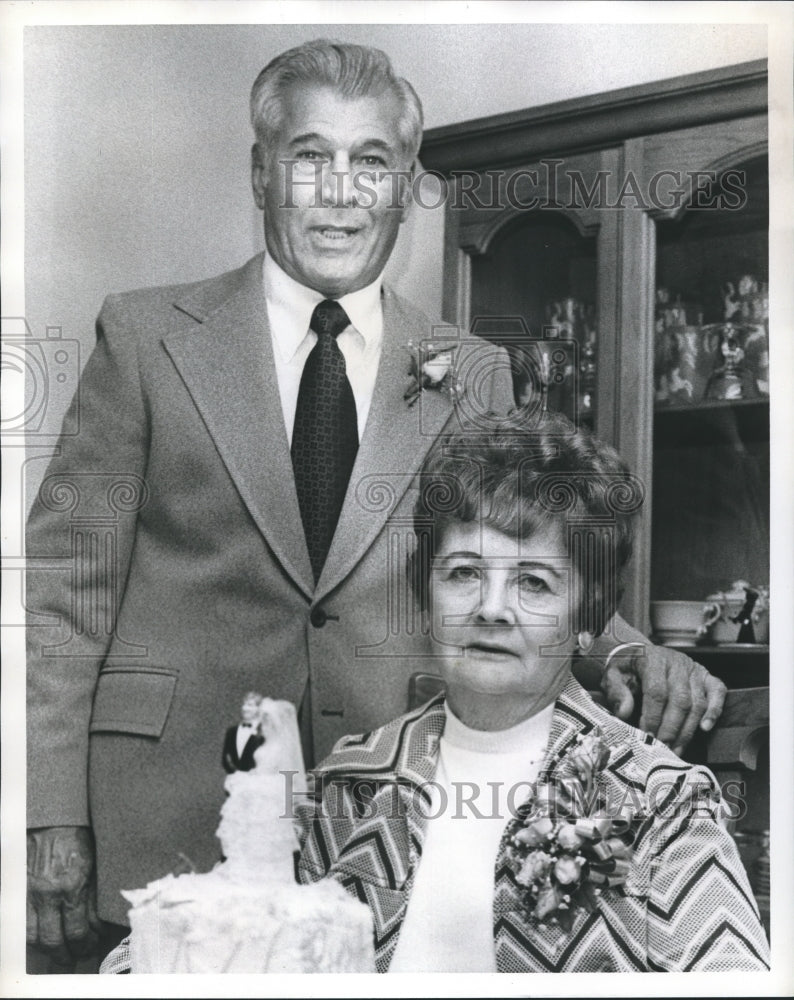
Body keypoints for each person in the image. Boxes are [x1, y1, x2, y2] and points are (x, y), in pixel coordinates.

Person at [26, 39, 726, 966]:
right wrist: (45, 811)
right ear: (261, 174)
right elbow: (62, 600)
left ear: (405, 188)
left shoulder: (470, 367)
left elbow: (529, 549)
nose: (340, 192)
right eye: (310, 157)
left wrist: (645, 654)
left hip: (383, 834)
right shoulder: (147, 337)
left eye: (372, 163)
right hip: (165, 826)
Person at [294, 412, 769, 972]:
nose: (492, 608)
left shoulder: (665, 801)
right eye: (465, 573)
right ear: (425, 593)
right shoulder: (347, 782)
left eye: (533, 582)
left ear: (587, 616)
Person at [222, 692, 266, 774]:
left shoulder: (264, 732)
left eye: (250, 705)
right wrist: (236, 774)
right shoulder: (231, 731)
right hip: (234, 781)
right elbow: (226, 758)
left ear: (258, 708)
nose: (245, 708)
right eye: (244, 705)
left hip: (256, 782)